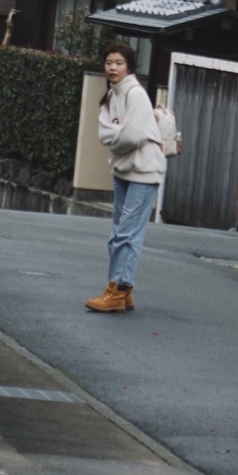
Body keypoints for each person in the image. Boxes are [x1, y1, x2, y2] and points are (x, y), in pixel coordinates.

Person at [86, 40, 166, 313]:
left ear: (129, 66)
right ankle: (125, 289)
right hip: (123, 169)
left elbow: (129, 135)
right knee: (119, 234)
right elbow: (104, 135)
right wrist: (121, 137)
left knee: (126, 234)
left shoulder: (136, 94)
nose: (113, 68)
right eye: (109, 62)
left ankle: (116, 290)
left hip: (144, 171)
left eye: (119, 63)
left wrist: (118, 137)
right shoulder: (111, 96)